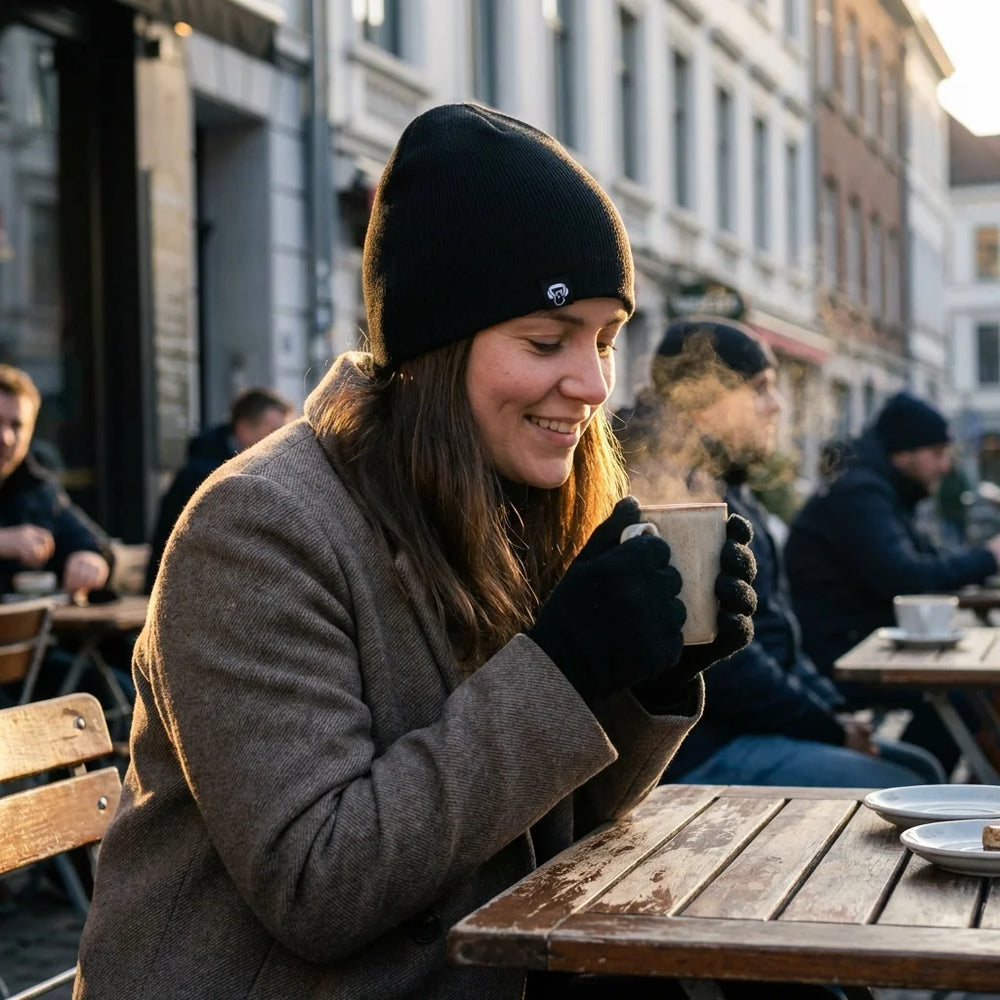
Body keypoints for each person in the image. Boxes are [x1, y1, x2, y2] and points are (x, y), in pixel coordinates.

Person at [74, 104, 772, 1000]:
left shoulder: (512, 500)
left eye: (604, 340)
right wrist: (563, 666)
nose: (594, 385)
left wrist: (648, 681)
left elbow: (559, 826)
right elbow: (317, 883)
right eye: (547, 340)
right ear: (437, 349)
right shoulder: (254, 528)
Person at [617, 318, 945, 788]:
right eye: (761, 388)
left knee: (922, 770)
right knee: (909, 787)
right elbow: (727, 665)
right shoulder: (676, 494)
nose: (777, 405)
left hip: (756, 727)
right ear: (704, 401)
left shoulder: (728, 485)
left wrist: (833, 712)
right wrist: (829, 727)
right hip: (703, 749)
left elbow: (775, 632)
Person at [785, 390, 1000, 774]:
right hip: (835, 656)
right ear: (906, 452)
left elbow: (925, 562)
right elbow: (905, 577)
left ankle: (927, 784)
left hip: (862, 643)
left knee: (970, 693)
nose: (946, 466)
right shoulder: (861, 495)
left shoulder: (878, 490)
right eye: (938, 453)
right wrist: (990, 557)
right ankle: (916, 789)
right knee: (963, 697)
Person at [143, 386, 294, 592]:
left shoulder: (242, 467)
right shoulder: (209, 475)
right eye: (272, 432)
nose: (280, 441)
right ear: (243, 428)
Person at [0, 364, 112, 599]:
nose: (6, 438)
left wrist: (90, 559)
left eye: (16, 425)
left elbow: (93, 542)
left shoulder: (36, 487)